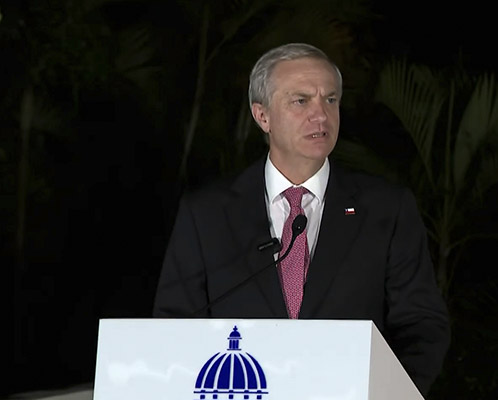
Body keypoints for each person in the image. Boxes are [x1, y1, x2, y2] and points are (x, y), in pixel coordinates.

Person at [153, 42, 450, 395]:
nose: (320, 115)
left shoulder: (386, 208)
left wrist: (389, 393)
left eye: (330, 100)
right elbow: (174, 325)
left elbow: (421, 324)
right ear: (262, 116)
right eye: (301, 101)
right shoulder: (206, 214)